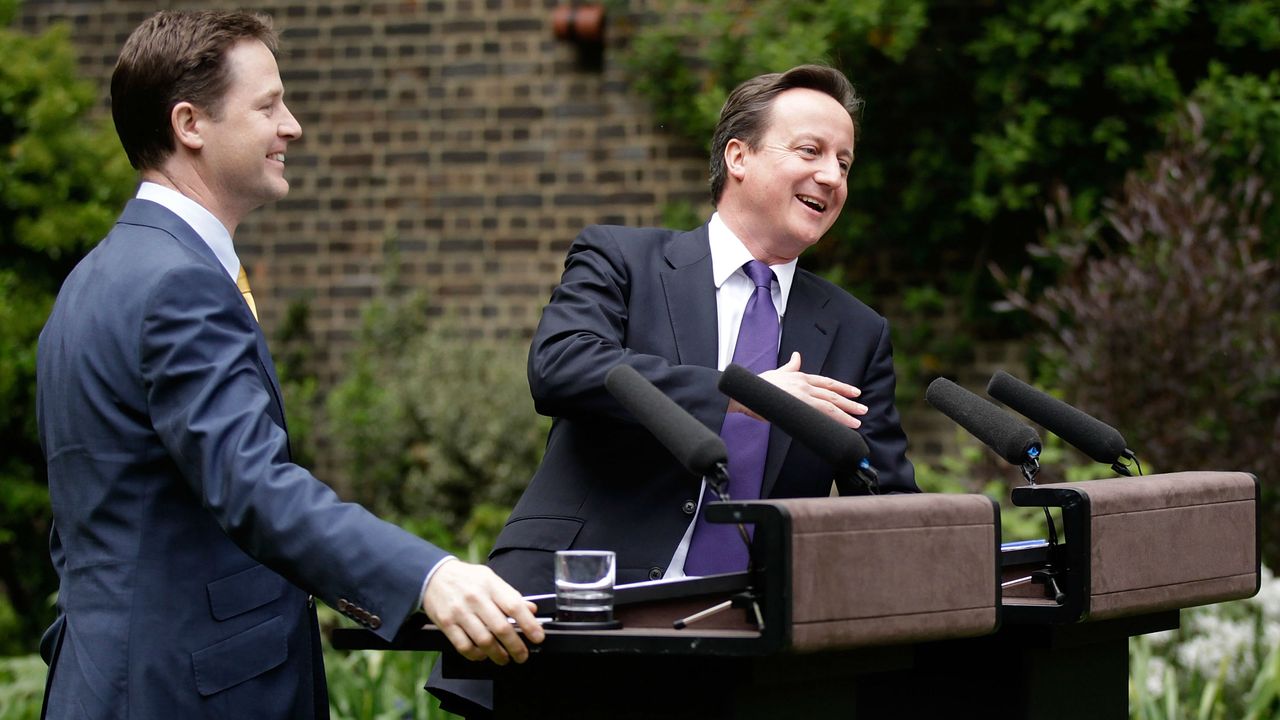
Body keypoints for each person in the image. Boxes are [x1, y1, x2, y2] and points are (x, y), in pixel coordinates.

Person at [35, 11, 542, 718]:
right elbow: (253, 486)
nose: (292, 125)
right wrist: (427, 574)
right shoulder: (178, 284)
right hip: (184, 694)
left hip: (106, 681)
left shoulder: (96, 279)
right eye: (268, 105)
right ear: (191, 124)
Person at [488, 64, 918, 596]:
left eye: (844, 162)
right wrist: (742, 395)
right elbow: (561, 368)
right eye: (811, 151)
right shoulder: (622, 259)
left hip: (743, 627)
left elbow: (889, 506)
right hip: (575, 595)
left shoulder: (857, 331)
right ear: (739, 156)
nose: (832, 176)